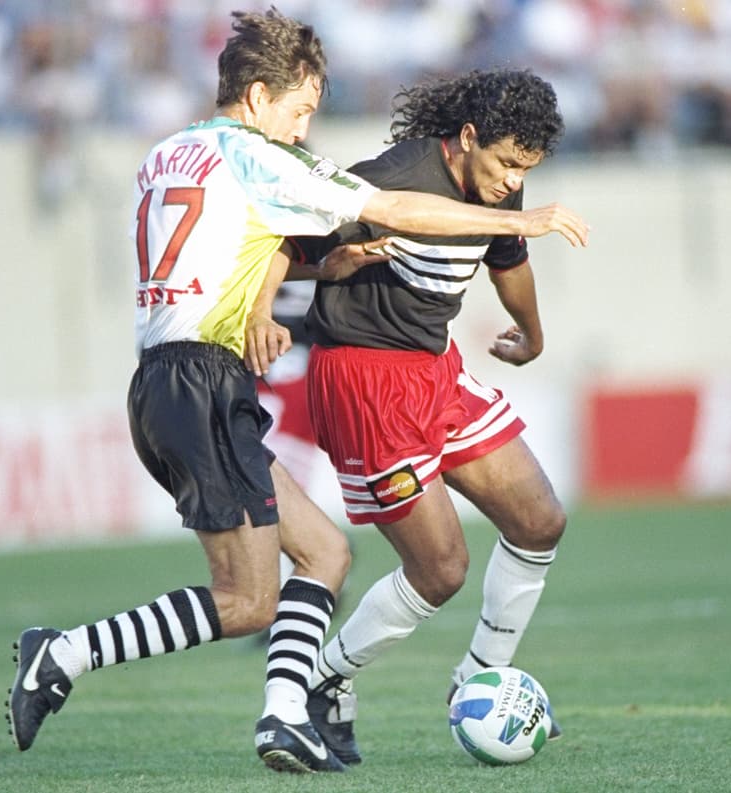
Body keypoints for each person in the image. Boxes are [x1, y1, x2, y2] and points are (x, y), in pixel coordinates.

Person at [5, 11, 589, 776]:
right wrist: (526, 216)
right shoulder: (257, 156)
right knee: (249, 598)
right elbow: (389, 208)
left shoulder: (167, 154)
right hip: (206, 379)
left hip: (173, 377)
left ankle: (291, 713)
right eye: (300, 109)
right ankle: (67, 652)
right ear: (255, 97)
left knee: (324, 552)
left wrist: (300, 280)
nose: (303, 127)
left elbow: (231, 244)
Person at [275, 68, 575, 766]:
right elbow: (285, 247)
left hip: (434, 367)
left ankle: (478, 680)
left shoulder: (500, 176)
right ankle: (321, 680)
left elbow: (509, 254)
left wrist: (531, 332)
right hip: (365, 380)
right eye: (505, 163)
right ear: (467, 138)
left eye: (525, 170)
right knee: (441, 570)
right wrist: (271, 306)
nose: (512, 182)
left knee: (539, 520)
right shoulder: (390, 177)